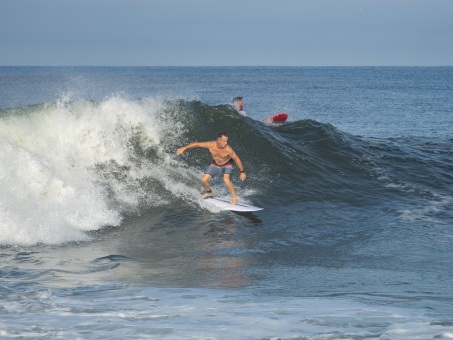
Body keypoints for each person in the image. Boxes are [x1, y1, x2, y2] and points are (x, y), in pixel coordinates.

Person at [176, 132, 246, 205]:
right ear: (218, 140)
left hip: (228, 163)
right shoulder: (211, 144)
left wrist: (242, 171)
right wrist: (184, 148)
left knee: (226, 179)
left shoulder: (228, 149)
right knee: (204, 179)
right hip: (216, 163)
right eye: (224, 141)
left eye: (227, 141)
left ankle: (234, 198)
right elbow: (196, 144)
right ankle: (209, 193)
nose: (226, 143)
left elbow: (237, 159)